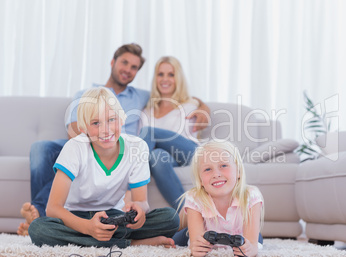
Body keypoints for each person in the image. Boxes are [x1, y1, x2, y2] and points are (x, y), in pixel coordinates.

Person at [17, 43, 210, 235]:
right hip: (88, 142)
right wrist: (91, 147)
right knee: (40, 149)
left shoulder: (142, 97)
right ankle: (40, 213)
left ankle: (187, 219)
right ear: (112, 62)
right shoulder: (85, 96)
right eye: (124, 62)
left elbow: (171, 90)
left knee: (147, 144)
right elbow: (74, 134)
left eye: (134, 67)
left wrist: (204, 107)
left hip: (125, 147)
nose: (128, 69)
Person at [28, 87, 179, 248]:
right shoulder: (75, 147)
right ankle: (132, 243)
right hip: (76, 218)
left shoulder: (137, 147)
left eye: (111, 120)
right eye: (95, 123)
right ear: (83, 129)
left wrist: (140, 209)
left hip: (113, 216)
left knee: (170, 218)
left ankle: (101, 239)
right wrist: (88, 228)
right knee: (38, 229)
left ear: (122, 119)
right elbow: (53, 208)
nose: (105, 129)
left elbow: (142, 201)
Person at [173, 141, 264, 257]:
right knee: (173, 239)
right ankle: (161, 234)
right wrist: (196, 247)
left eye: (223, 166)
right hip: (199, 228)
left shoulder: (251, 195)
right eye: (207, 169)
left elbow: (252, 246)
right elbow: (196, 244)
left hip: (240, 232)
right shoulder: (195, 198)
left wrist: (251, 248)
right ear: (200, 180)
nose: (216, 174)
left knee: (257, 240)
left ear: (238, 171)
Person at [139, 56, 201, 210]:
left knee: (148, 132)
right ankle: (186, 214)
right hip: (166, 157)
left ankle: (132, 175)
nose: (165, 79)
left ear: (178, 78)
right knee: (157, 157)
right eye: (161, 74)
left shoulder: (189, 105)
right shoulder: (146, 112)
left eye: (171, 74)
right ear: (155, 78)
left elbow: (177, 138)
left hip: (189, 153)